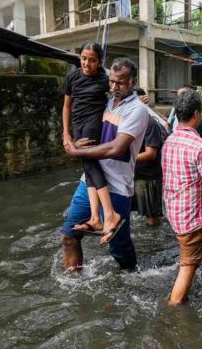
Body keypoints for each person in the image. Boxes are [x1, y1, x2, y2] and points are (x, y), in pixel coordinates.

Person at [61, 58, 149, 271]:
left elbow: (116, 148)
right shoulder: (108, 102)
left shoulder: (137, 110)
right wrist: (76, 141)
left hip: (117, 187)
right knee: (69, 236)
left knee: (119, 248)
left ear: (133, 82)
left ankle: (132, 277)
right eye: (111, 82)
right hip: (90, 181)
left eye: (120, 83)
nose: (114, 87)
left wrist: (77, 152)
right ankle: (73, 288)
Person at [161, 91, 202, 305]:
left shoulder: (169, 141)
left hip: (174, 213)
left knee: (187, 257)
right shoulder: (201, 146)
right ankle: (173, 308)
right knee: (188, 266)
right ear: (197, 114)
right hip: (191, 217)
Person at [61, 42, 121, 238]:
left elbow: (119, 90)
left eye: (92, 60)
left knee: (90, 163)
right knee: (88, 168)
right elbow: (67, 107)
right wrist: (66, 134)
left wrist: (138, 99)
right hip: (77, 125)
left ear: (99, 62)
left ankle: (110, 214)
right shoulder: (73, 77)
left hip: (94, 124)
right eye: (84, 58)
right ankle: (96, 217)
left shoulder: (105, 79)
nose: (86, 63)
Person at [133, 88, 166, 227]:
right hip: (135, 173)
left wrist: (127, 158)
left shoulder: (150, 123)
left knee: (152, 217)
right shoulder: (130, 121)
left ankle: (156, 245)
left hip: (149, 177)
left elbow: (150, 154)